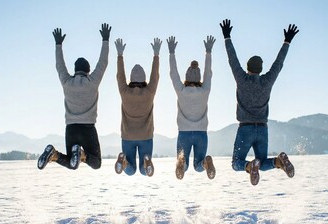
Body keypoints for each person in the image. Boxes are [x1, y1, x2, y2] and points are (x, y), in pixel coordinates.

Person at [220, 19, 297, 185]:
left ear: (248, 67)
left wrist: (227, 37)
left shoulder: (241, 79)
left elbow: (232, 59)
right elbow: (278, 63)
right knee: (262, 163)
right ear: (261, 69)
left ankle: (249, 166)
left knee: (237, 163)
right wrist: (287, 41)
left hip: (245, 128)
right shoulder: (267, 81)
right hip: (262, 129)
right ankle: (278, 162)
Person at [37, 23, 111, 170]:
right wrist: (105, 40)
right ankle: (82, 155)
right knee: (96, 163)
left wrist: (58, 44)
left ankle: (54, 154)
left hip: (71, 128)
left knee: (72, 163)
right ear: (88, 71)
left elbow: (59, 66)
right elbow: (103, 63)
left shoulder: (67, 82)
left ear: (75, 70)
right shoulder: (92, 82)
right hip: (87, 128)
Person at [166, 36, 216, 180]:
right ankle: (206, 163)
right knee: (198, 166)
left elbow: (173, 73)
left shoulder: (181, 90)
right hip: (201, 133)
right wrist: (208, 52)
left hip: (184, 133)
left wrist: (171, 53)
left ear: (186, 77)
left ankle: (181, 161)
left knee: (184, 165)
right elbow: (208, 73)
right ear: (199, 78)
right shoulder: (205, 90)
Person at [113, 37, 162, 177]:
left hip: (128, 136)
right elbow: (155, 77)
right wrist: (156, 55)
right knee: (142, 170)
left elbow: (119, 76)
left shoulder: (125, 92)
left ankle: (125, 163)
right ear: (144, 79)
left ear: (131, 79)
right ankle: (146, 162)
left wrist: (120, 56)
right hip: (146, 136)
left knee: (131, 171)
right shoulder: (149, 92)